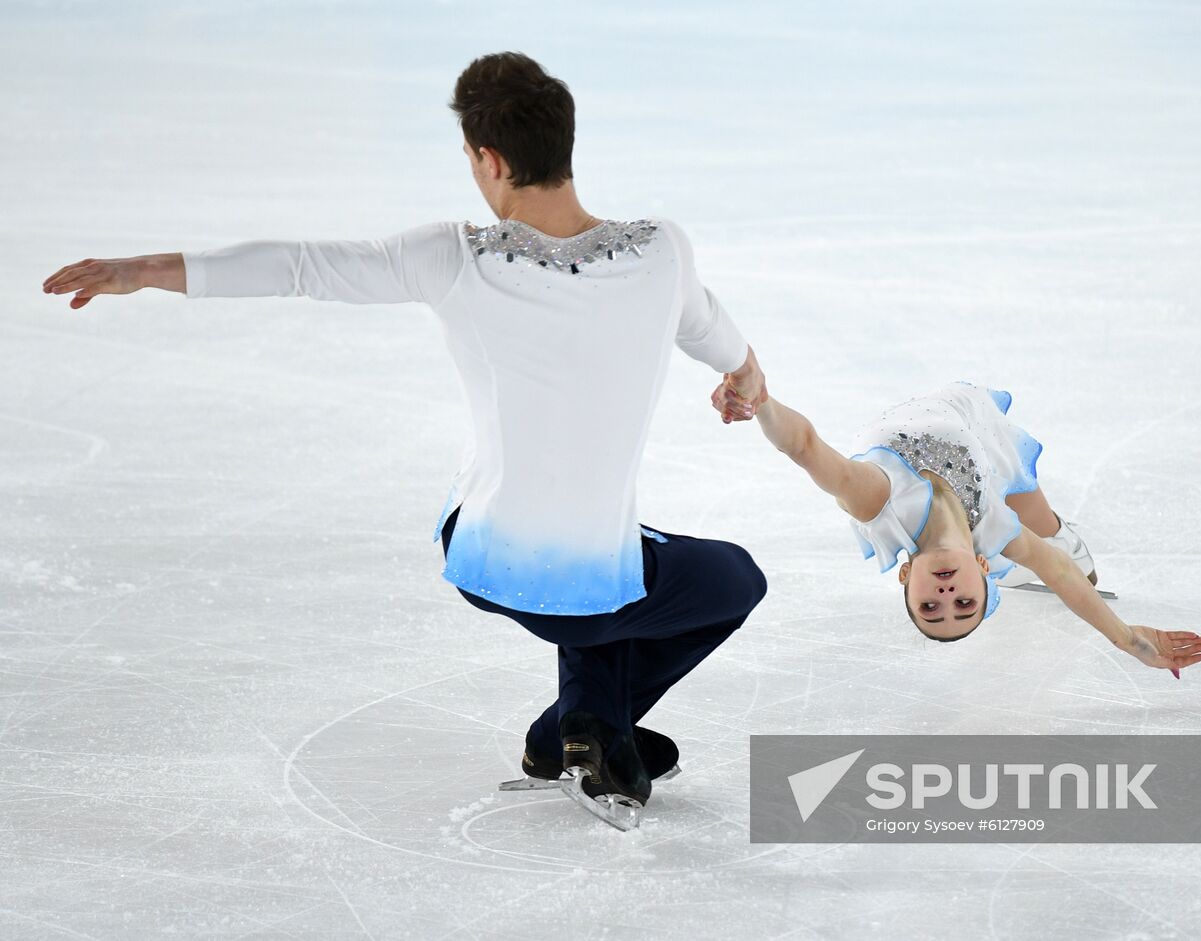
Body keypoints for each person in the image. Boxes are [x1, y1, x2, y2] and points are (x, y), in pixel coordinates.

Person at [42, 51, 769, 830]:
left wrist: (145, 269)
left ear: (489, 159)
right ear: (565, 143)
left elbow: (302, 266)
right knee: (730, 579)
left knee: (603, 575)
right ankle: (582, 725)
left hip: (482, 558)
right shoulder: (661, 251)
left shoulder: (453, 257)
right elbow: (707, 322)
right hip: (594, 582)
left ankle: (584, 729)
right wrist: (744, 376)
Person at [711, 378, 1201, 674]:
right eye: (963, 603)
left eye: (931, 606)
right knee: (1057, 549)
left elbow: (803, 447)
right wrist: (1127, 639)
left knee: (1046, 546)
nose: (946, 594)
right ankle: (1053, 530)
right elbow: (1058, 572)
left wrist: (761, 401)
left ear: (906, 578)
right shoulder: (995, 531)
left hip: (933, 413)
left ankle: (1037, 544)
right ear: (980, 566)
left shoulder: (880, 503)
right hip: (977, 431)